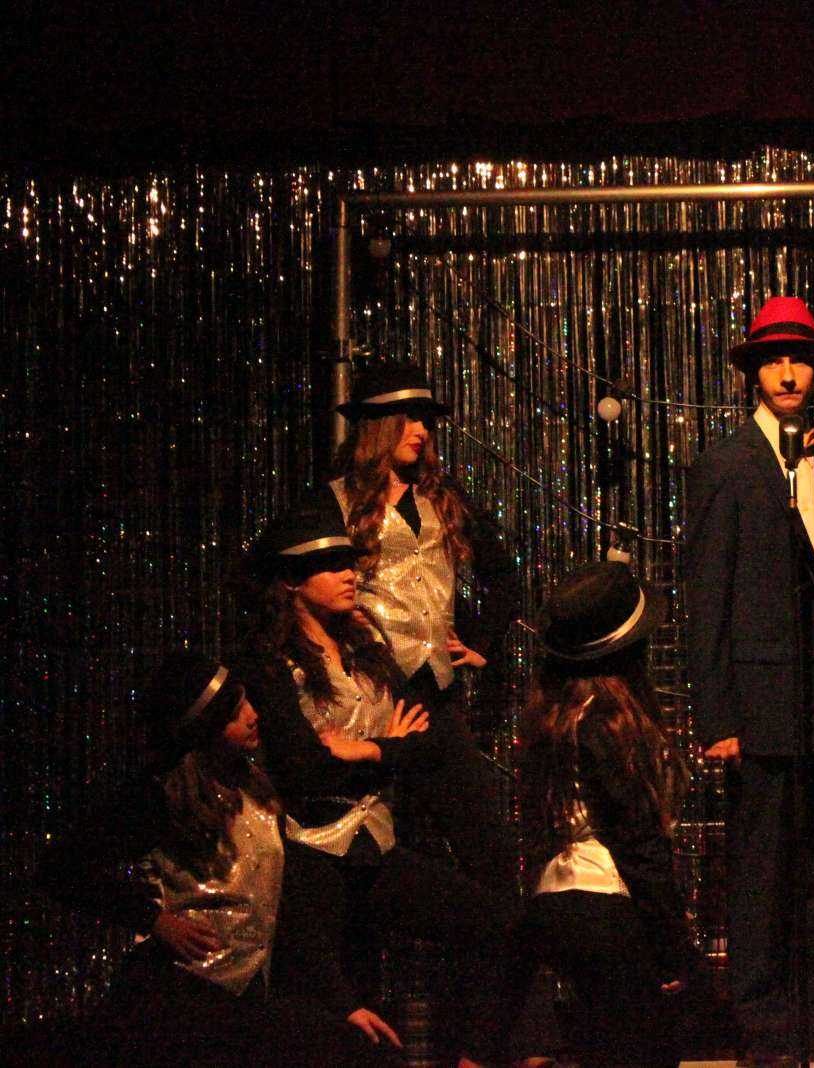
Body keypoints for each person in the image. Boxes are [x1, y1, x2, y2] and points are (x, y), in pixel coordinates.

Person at [234, 501, 523, 1067]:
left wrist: (369, 749)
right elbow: (304, 769)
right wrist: (391, 749)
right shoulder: (270, 663)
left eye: (350, 562)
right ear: (291, 582)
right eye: (331, 565)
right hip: (312, 855)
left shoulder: (366, 649)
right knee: (342, 1013)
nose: (350, 575)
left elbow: (430, 742)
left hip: (375, 845)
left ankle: (472, 1059)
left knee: (503, 924)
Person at [36, 651, 399, 1068]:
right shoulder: (161, 796)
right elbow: (60, 869)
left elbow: (287, 905)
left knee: (358, 1047)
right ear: (205, 729)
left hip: (243, 996)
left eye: (246, 702)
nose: (252, 716)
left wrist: (345, 1004)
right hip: (182, 995)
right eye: (232, 714)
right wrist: (154, 919)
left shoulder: (256, 789)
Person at [685, 295, 814, 1060]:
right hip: (757, 708)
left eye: (801, 361)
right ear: (752, 374)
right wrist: (717, 717)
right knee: (761, 876)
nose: (788, 374)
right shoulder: (725, 465)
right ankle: (763, 1029)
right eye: (774, 361)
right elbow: (706, 596)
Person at [329, 361, 521, 895]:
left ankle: (497, 940)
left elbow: (503, 576)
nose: (421, 431)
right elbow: (271, 579)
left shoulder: (442, 495)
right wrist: (341, 632)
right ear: (379, 426)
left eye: (426, 421)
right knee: (384, 847)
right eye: (409, 419)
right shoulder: (336, 500)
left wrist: (479, 643)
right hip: (370, 698)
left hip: (434, 696)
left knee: (488, 847)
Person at [520, 561, 697, 1068]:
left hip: (555, 903)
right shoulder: (610, 723)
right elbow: (637, 843)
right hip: (608, 907)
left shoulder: (553, 717)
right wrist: (672, 944)